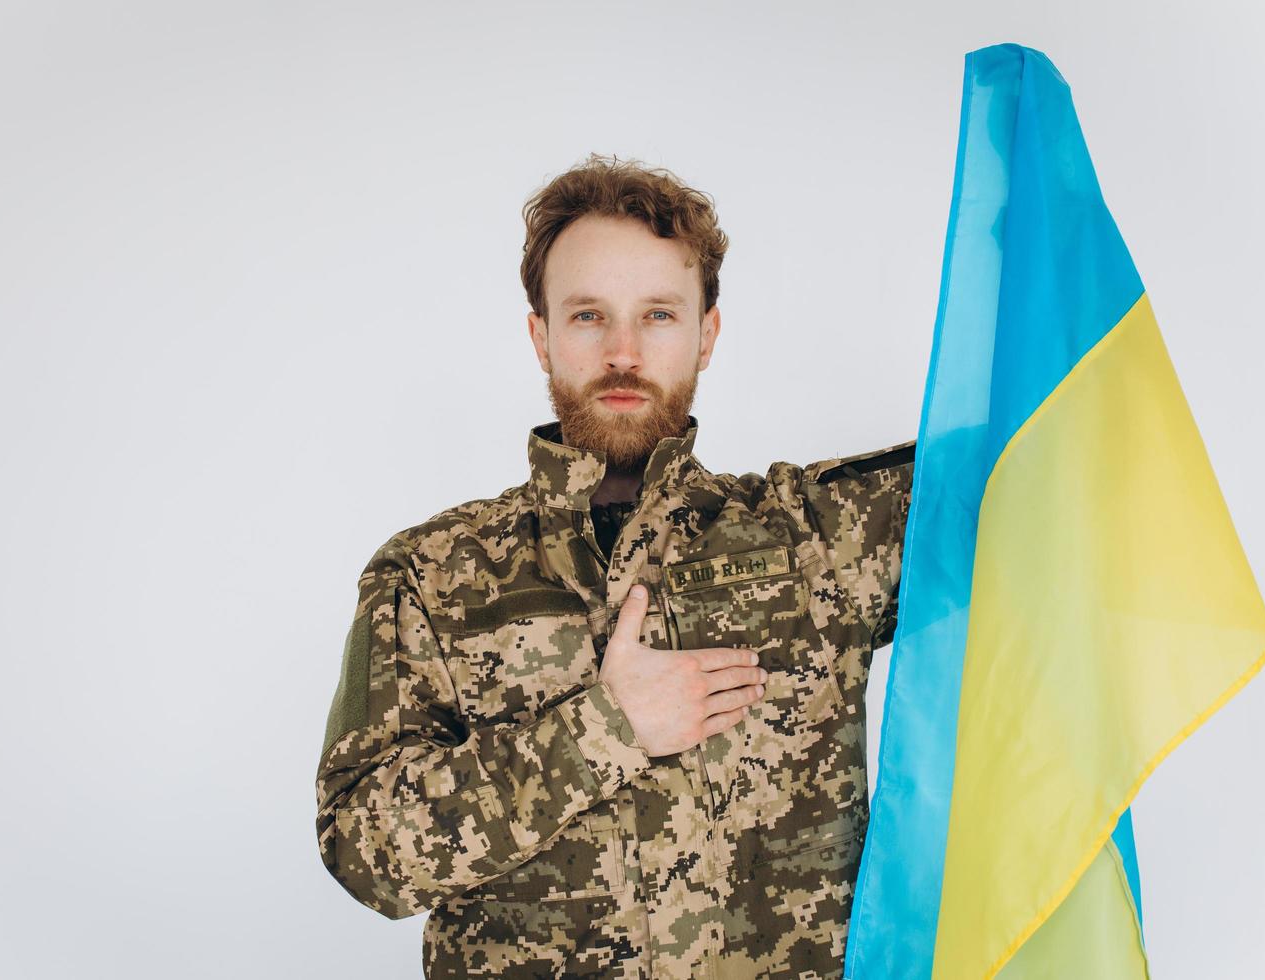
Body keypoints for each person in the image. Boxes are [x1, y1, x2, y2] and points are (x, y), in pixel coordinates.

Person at [316, 153, 915, 979]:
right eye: (590, 316)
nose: (624, 352)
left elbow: (1046, 463)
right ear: (542, 335)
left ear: (706, 334)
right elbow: (365, 851)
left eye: (660, 316)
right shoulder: (430, 575)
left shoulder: (824, 536)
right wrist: (604, 729)